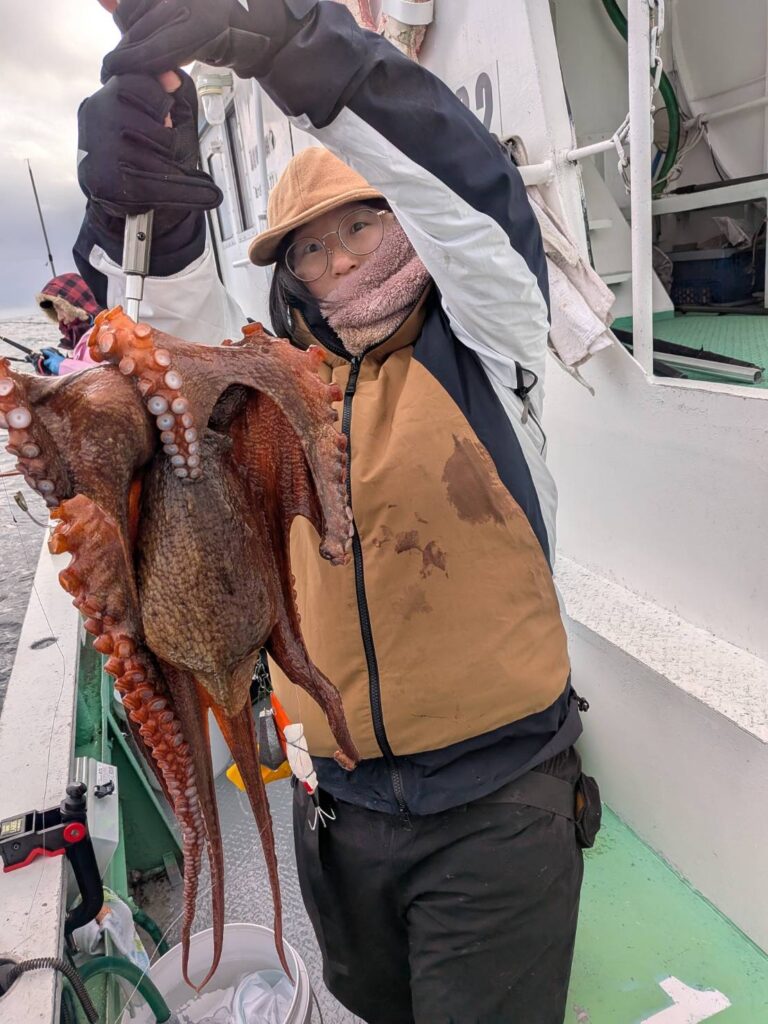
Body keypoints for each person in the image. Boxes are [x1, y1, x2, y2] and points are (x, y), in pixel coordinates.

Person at [77, 3, 601, 1021]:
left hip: (497, 808)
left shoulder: (488, 346)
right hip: (340, 814)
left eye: (359, 226)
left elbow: (468, 194)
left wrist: (291, 45)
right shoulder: (275, 392)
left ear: (404, 219)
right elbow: (176, 355)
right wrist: (155, 215)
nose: (337, 262)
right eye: (308, 251)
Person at [34, 273, 102, 374]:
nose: (59, 317)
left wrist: (62, 365)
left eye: (60, 308)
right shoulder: (77, 337)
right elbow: (78, 379)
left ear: (75, 305)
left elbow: (107, 375)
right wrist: (50, 373)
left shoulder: (105, 332)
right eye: (55, 310)